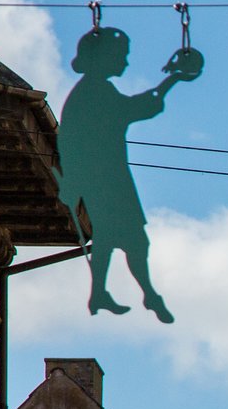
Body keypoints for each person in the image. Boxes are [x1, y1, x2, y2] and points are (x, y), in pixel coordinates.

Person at [55, 25, 201, 322]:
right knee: (131, 240)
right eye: (121, 56)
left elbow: (133, 108)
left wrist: (171, 80)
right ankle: (144, 294)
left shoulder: (94, 90)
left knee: (111, 237)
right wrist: (172, 79)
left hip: (107, 177)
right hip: (105, 179)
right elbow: (135, 109)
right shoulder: (93, 93)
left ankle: (106, 293)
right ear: (103, 58)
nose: (125, 62)